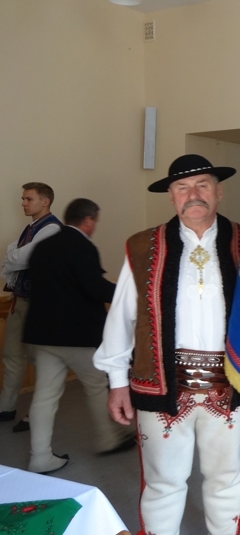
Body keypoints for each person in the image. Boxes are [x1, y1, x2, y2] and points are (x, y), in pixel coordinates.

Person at [93, 154, 240, 535]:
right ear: (171, 196)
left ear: (218, 192)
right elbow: (122, 318)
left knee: (226, 477)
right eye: (182, 187)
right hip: (161, 384)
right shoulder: (142, 246)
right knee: (163, 482)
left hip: (231, 382)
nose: (192, 194)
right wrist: (117, 381)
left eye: (202, 185)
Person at [24, 198, 134, 473]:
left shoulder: (42, 246)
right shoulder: (83, 246)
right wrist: (127, 293)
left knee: (44, 395)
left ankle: (40, 456)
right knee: (96, 386)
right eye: (94, 221)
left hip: (42, 333)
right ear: (88, 220)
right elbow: (94, 288)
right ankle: (108, 440)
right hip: (77, 335)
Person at [0, 182, 61, 432]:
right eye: (23, 199)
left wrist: (13, 255)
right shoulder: (31, 228)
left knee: (41, 360)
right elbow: (13, 257)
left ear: (45, 201)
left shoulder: (52, 228)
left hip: (40, 305)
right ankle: (6, 407)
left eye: (29, 199)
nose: (23, 203)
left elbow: (20, 257)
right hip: (20, 300)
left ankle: (36, 413)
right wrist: (13, 255)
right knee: (11, 355)